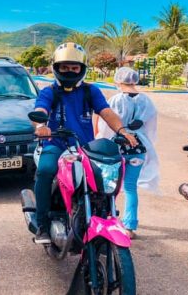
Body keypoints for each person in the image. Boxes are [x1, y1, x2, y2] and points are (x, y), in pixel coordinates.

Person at [32, 42, 139, 244]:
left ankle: (101, 216)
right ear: (56, 68)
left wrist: (122, 130)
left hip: (84, 147)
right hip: (55, 144)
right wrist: (40, 126)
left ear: (82, 68)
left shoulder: (91, 91)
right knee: (45, 171)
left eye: (74, 67)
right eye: (65, 67)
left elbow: (106, 112)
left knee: (102, 176)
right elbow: (41, 111)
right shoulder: (50, 92)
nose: (70, 71)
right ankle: (43, 225)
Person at [95, 67, 160, 239]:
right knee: (131, 187)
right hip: (139, 149)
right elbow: (151, 128)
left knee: (110, 186)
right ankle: (129, 227)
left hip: (117, 148)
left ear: (118, 81)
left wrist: (100, 140)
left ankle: (107, 220)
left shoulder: (115, 100)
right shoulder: (147, 101)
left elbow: (105, 126)